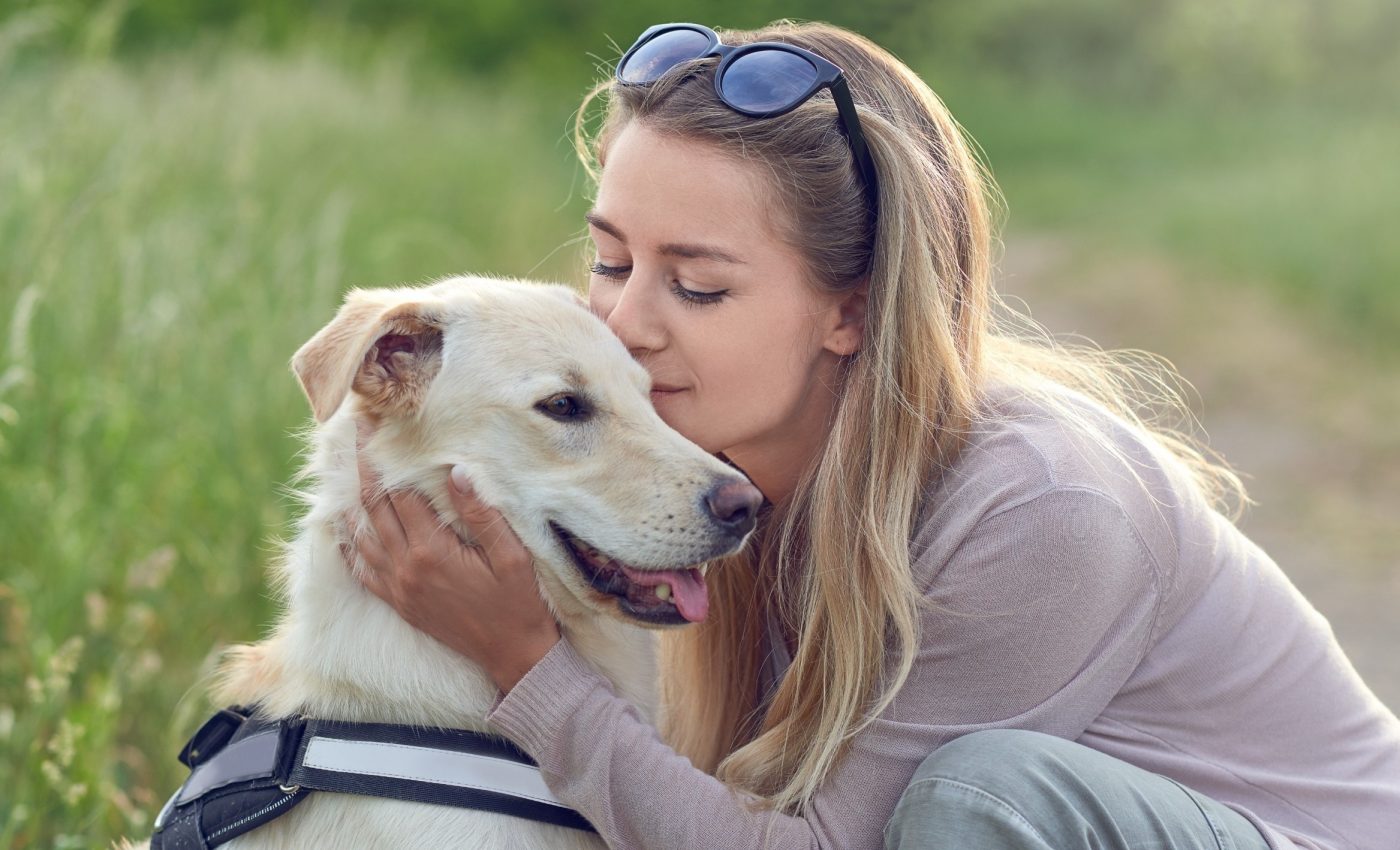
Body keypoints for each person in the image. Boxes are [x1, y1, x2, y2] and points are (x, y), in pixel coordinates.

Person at [349, 19, 1400, 850]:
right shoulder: (713, 489)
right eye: (613, 262)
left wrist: (527, 667)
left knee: (973, 796)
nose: (621, 327)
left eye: (697, 284)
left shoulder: (1039, 506)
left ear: (847, 309)